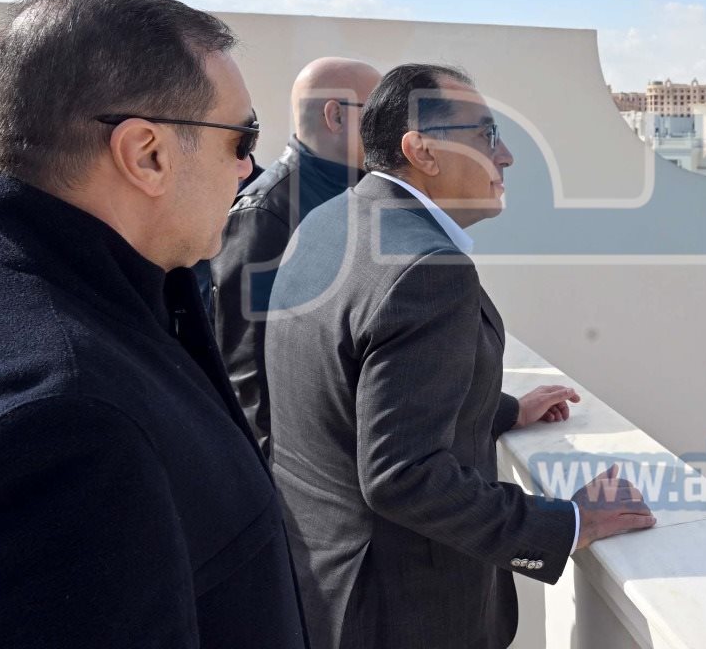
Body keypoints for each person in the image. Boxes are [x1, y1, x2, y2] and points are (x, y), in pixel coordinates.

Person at [266, 63, 654, 649]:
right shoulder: (427, 270)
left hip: (322, 585)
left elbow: (357, 387)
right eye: (486, 135)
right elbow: (404, 476)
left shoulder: (329, 221)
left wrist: (501, 410)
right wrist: (568, 524)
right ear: (422, 151)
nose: (506, 157)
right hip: (402, 613)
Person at [0, 0, 307, 647]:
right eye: (242, 139)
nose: (249, 169)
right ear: (148, 155)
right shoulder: (74, 419)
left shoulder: (104, 305)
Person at [209, 56, 380, 456]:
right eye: (379, 113)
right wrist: (278, 473)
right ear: (336, 116)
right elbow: (248, 364)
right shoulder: (267, 211)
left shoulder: (371, 197)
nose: (395, 128)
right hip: (306, 468)